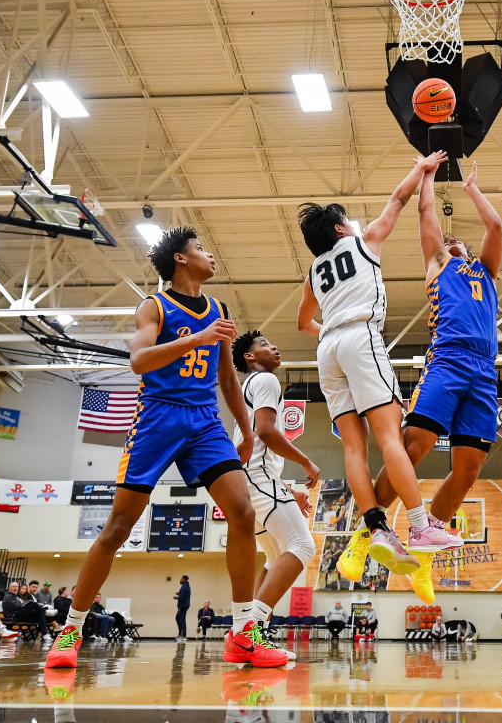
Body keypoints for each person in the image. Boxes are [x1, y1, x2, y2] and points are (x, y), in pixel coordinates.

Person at [47, 226, 286, 670]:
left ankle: (242, 632)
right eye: (200, 249)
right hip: (158, 417)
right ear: (180, 258)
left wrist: (244, 425)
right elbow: (139, 361)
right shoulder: (153, 306)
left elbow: (228, 378)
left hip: (204, 422)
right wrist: (198, 337)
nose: (209, 255)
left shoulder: (217, 308)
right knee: (118, 527)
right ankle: (70, 630)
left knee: (243, 512)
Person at [340, 160, 502, 603]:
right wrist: (428, 175)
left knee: (468, 470)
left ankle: (424, 558)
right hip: (447, 361)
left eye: (457, 241)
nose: (451, 241)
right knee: (412, 448)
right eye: (447, 241)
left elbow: (497, 224)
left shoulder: (485, 273)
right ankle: (364, 535)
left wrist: (473, 189)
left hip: (484, 371)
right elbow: (425, 214)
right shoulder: (438, 265)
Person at [296, 152, 449, 578]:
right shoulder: (361, 244)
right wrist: (421, 169)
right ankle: (420, 527)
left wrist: (330, 333)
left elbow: (302, 320)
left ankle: (376, 527)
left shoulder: (313, 271)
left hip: (327, 349)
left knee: (352, 448)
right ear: (342, 228)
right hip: (360, 337)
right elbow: (397, 202)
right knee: (391, 440)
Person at [230, 329, 321, 647]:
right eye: (265, 344)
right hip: (257, 479)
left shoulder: (248, 386)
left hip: (250, 480)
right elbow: (267, 434)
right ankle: (246, 631)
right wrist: (306, 461)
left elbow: (254, 443)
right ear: (250, 357)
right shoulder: (265, 380)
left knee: (273, 558)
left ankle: (249, 635)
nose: (275, 346)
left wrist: (286, 489)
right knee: (303, 546)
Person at [174, 575, 191, 641]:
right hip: (185, 605)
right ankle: (181, 634)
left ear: (184, 579)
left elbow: (182, 597)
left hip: (183, 605)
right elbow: (185, 594)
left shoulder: (184, 586)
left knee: (181, 619)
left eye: (181, 578)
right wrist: (179, 593)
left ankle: (183, 635)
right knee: (179, 618)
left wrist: (175, 597)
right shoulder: (187, 586)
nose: (180, 580)